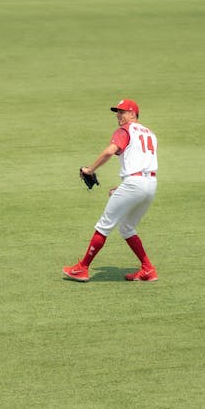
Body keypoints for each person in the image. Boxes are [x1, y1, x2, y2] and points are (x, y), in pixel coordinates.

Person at [63, 99, 159, 283]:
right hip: (150, 184)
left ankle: (82, 268)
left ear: (133, 114)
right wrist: (125, 184)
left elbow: (110, 151)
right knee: (127, 227)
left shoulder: (125, 130)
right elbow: (141, 161)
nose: (118, 115)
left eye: (122, 112)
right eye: (117, 112)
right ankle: (148, 269)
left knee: (104, 225)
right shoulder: (150, 134)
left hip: (134, 184)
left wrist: (90, 170)